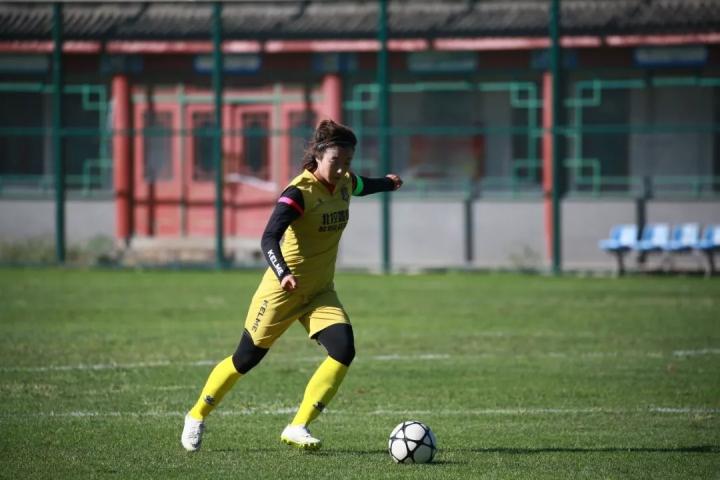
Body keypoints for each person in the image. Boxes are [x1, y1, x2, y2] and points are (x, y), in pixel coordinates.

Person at [181, 119, 403, 451]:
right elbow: (269, 237)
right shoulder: (299, 192)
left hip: (320, 292)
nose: (342, 169)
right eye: (335, 161)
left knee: (343, 350)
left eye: (348, 161)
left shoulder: (344, 182)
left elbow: (361, 185)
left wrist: (387, 183)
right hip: (281, 292)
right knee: (245, 359)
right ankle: (196, 415)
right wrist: (283, 272)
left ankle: (298, 426)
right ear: (318, 155)